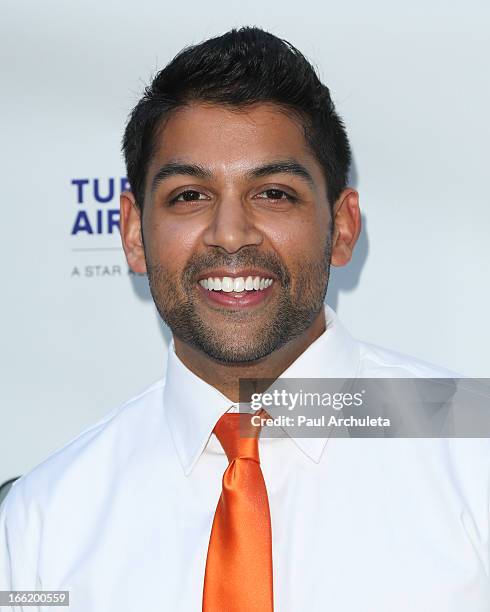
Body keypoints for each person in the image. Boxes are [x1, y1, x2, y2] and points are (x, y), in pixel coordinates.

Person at [1, 26, 488, 612]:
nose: (230, 233)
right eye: (189, 196)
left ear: (343, 226)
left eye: (274, 193)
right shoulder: (42, 518)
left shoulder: (474, 451)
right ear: (133, 233)